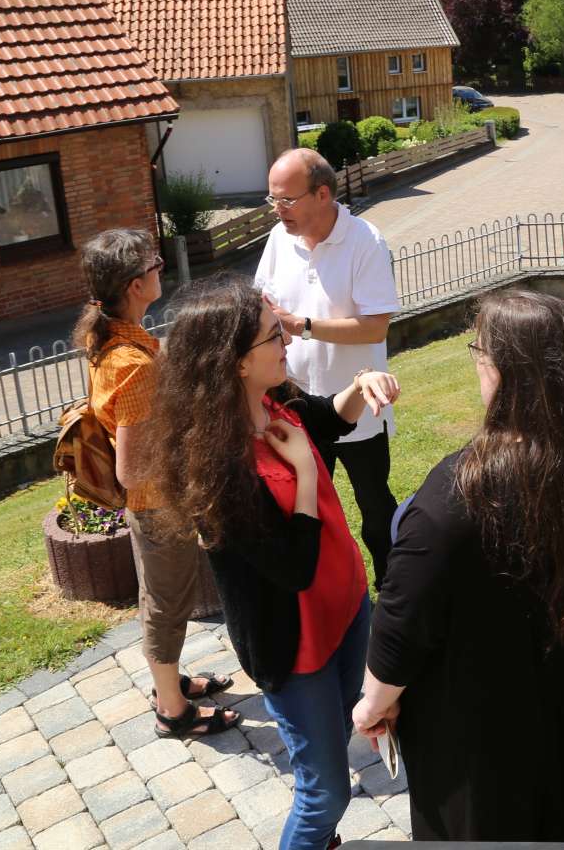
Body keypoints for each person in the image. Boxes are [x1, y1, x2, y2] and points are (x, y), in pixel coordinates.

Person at [352, 291, 564, 841]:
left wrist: (370, 709)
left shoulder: (453, 500)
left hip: (492, 769)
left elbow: (399, 633)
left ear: (501, 371)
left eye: (479, 352)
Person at [141, 274, 400, 850]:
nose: (286, 338)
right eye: (271, 334)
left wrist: (363, 384)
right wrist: (306, 474)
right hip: (294, 644)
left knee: (336, 729)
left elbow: (329, 417)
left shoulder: (276, 398)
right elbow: (293, 569)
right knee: (325, 793)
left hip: (347, 608)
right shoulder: (217, 470)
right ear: (233, 362)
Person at [73, 229, 241, 740]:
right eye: (152, 263)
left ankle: (170, 682)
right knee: (167, 604)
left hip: (153, 506)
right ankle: (173, 710)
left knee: (162, 598)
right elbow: (131, 469)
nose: (159, 268)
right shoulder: (133, 365)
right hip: (157, 506)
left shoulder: (120, 339)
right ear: (133, 285)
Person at [255, 148, 401, 587]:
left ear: (322, 194)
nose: (277, 211)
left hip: (354, 410)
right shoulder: (280, 238)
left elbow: (376, 327)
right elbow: (261, 302)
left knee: (375, 511)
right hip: (297, 407)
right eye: (272, 200)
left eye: (286, 200)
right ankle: (326, 594)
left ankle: (394, 594)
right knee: (307, 509)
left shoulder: (365, 241)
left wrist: (303, 326)